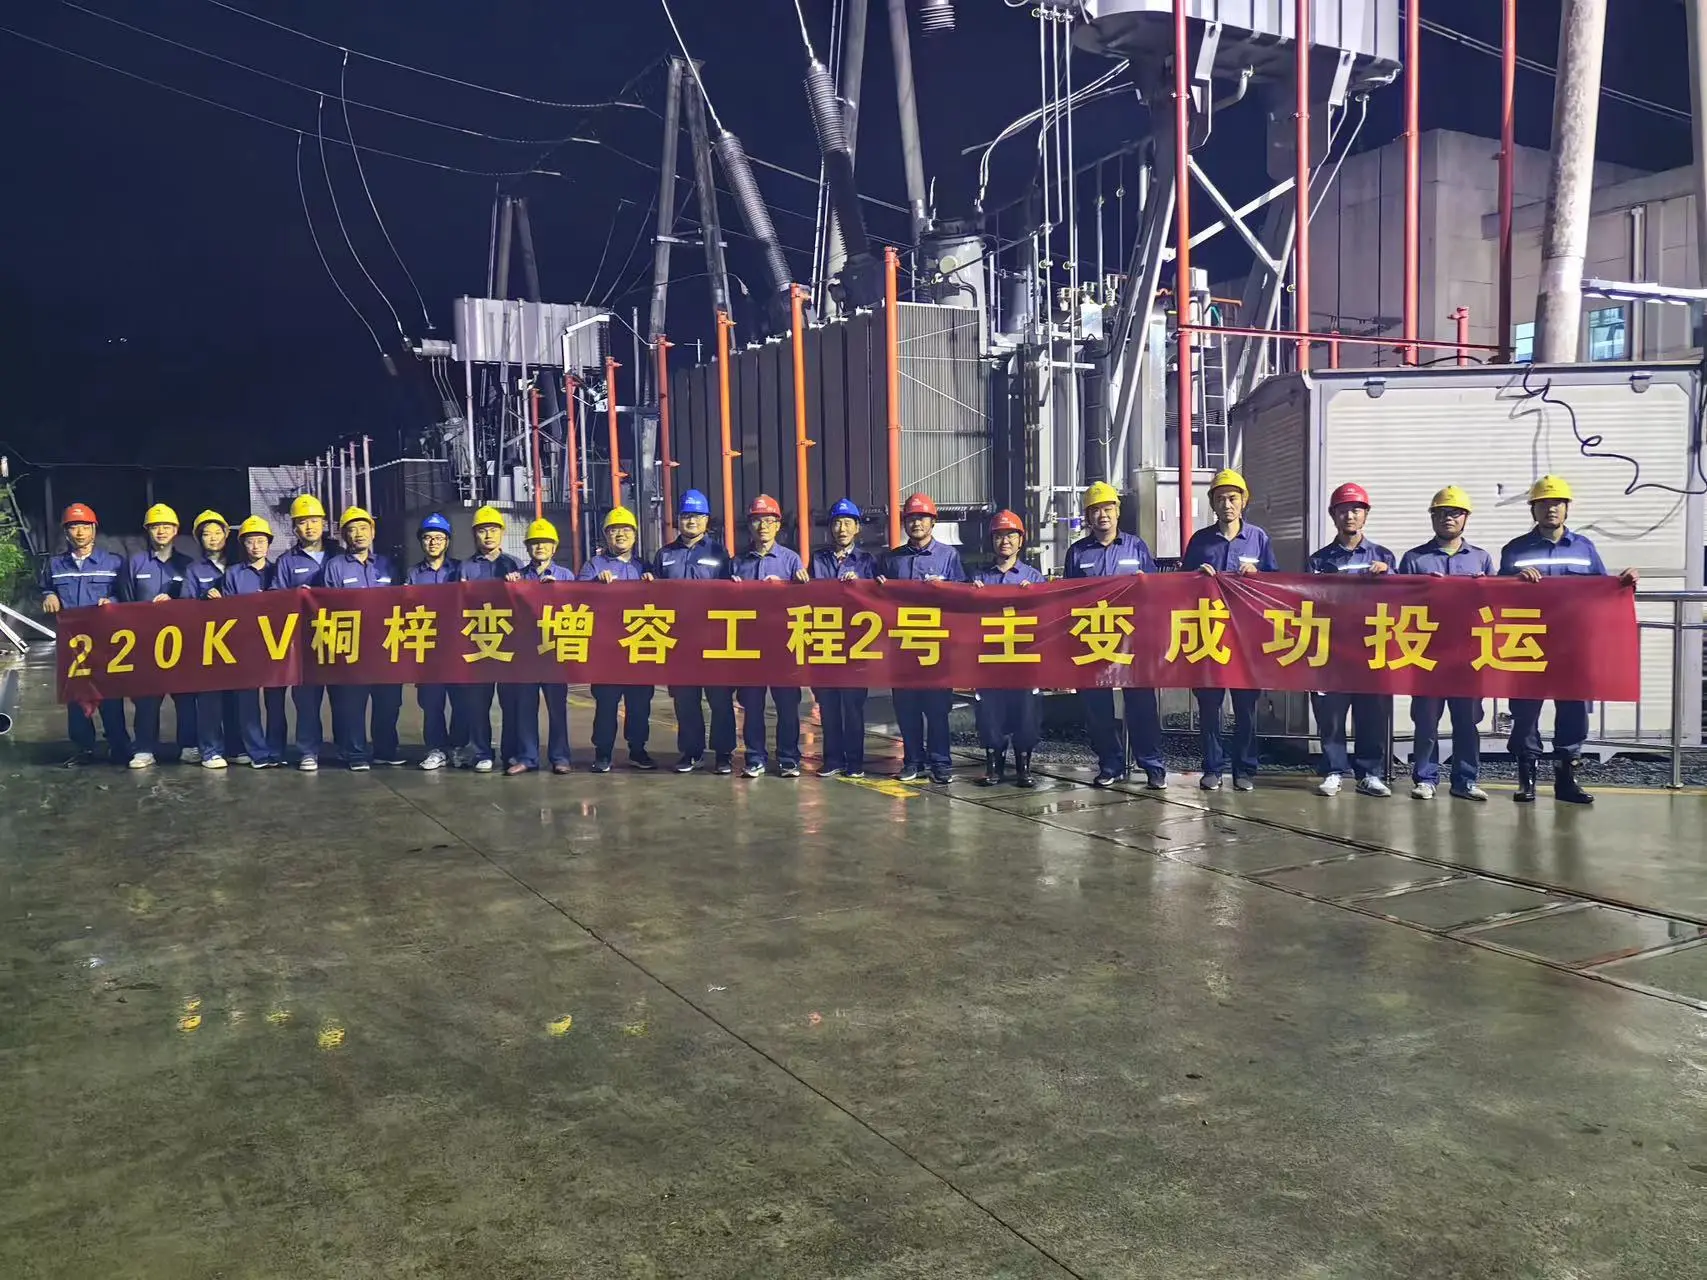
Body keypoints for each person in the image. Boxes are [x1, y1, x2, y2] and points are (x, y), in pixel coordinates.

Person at [1498, 475, 1639, 805]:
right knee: (1525, 713)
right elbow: (1497, 594)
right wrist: (1514, 580)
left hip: (1572, 647)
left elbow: (1602, 589)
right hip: (1528, 644)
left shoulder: (1584, 548)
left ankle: (1566, 781)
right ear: (1533, 509)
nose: (1551, 509)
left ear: (1567, 508)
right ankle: (1527, 780)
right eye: (1544, 503)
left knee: (1574, 712)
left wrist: (1623, 582)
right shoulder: (1515, 550)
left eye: (1557, 503)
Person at [1065, 480, 1167, 789]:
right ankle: (1110, 764)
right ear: (1088, 516)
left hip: (1132, 641)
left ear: (1118, 511)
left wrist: (1145, 583)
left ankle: (1152, 765)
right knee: (1098, 709)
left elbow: (1155, 592)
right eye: (1095, 510)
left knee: (1141, 705)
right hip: (1094, 640)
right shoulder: (1077, 552)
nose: (1102, 515)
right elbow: (1066, 598)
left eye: (1108, 508)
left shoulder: (1136, 547)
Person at [1183, 468, 1278, 791]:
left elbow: (1275, 585)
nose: (1227, 504)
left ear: (1244, 501)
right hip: (1210, 635)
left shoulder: (1258, 538)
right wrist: (1197, 576)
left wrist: (1257, 575)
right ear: (1212, 503)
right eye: (1221, 498)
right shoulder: (1200, 541)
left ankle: (1244, 770)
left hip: (1245, 638)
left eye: (1233, 498)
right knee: (1210, 706)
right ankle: (1212, 768)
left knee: (1245, 707)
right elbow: (1181, 585)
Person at [1398, 486, 1494, 802]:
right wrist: (1425, 591)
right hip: (1427, 653)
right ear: (1432, 518)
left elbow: (1496, 606)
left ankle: (1465, 780)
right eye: (1440, 513)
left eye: (1454, 513)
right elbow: (1398, 605)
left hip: (1468, 655)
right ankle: (1425, 778)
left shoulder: (1481, 558)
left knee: (1467, 722)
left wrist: (1483, 589)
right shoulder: (1415, 559)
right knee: (1426, 721)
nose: (1447, 518)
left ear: (1465, 518)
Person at [1307, 482, 1396, 799]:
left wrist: (1387, 576)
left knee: (1371, 713)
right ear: (1333, 515)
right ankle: (1333, 770)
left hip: (1371, 647)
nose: (1350, 515)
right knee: (1330, 714)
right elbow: (1308, 600)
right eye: (1343, 510)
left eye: (1356, 509)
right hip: (1332, 649)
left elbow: (1401, 600)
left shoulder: (1383, 557)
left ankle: (1369, 773)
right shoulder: (1319, 560)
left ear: (1366, 514)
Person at [877, 492, 966, 784]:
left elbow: (962, 597)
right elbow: (875, 599)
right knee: (907, 709)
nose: (916, 523)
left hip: (936, 648)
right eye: (911, 518)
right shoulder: (891, 559)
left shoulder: (948, 557)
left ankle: (941, 763)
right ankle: (913, 761)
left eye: (922, 518)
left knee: (937, 710)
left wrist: (946, 588)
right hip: (902, 648)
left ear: (933, 522)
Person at [38, 503, 131, 766]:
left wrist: (112, 601)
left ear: (94, 530)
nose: (79, 532)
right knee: (76, 694)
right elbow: (44, 587)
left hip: (106, 641)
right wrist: (49, 594)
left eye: (84, 527)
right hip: (73, 642)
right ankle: (83, 748)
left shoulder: (114, 563)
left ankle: (118, 745)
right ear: (66, 532)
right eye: (73, 527)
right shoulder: (55, 564)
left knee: (111, 693)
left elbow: (125, 595)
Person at [653, 488, 737, 774]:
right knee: (685, 701)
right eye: (686, 516)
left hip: (713, 639)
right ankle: (691, 752)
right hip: (678, 642)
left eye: (697, 516)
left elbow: (731, 593)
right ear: (678, 519)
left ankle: (723, 754)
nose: (691, 521)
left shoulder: (718, 553)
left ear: (706, 520)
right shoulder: (665, 554)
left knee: (720, 699)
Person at [321, 506, 402, 772]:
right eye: (352, 529)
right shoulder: (335, 567)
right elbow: (328, 608)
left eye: (364, 528)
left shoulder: (387, 565)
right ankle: (355, 753)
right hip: (353, 648)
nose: (358, 534)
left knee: (388, 702)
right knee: (353, 705)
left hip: (386, 646)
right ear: (344, 535)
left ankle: (385, 751)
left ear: (373, 532)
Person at [731, 494, 806, 778]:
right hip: (750, 645)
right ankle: (755, 757)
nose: (763, 526)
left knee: (787, 706)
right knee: (752, 706)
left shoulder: (791, 560)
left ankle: (788, 757)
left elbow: (805, 602)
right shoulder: (737, 562)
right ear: (750, 525)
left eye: (769, 520)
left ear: (778, 525)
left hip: (783, 646)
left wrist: (800, 586)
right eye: (757, 520)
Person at [119, 503, 198, 769]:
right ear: (148, 531)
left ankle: (188, 746)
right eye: (155, 527)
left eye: (166, 526)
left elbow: (195, 604)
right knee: (146, 699)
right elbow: (126, 601)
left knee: (185, 697)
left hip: (181, 643)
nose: (161, 531)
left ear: (175, 530)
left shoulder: (188, 565)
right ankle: (144, 748)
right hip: (145, 642)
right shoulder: (135, 563)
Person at [579, 506, 655, 772]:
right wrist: (594, 585)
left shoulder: (644, 566)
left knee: (639, 704)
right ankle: (603, 752)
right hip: (607, 651)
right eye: (613, 530)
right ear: (605, 535)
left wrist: (653, 583)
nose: (620, 534)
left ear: (635, 535)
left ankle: (638, 749)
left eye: (625, 529)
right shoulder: (594, 566)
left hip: (639, 646)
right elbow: (577, 599)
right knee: (606, 704)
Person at [970, 509, 1043, 787]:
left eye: (1011, 535)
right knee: (989, 712)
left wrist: (1033, 596)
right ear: (992, 540)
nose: (1005, 541)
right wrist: (971, 594)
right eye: (999, 536)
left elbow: (1046, 615)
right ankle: (993, 767)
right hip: (989, 660)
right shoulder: (979, 578)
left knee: (1026, 713)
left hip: (1023, 660)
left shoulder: (1033, 578)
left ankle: (1024, 767)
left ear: (1020, 540)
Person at [810, 497, 878, 778]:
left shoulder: (868, 562)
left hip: (855, 646)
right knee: (828, 706)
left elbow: (879, 599)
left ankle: (855, 762)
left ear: (857, 528)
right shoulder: (817, 560)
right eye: (837, 523)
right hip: (825, 642)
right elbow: (807, 595)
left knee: (852, 707)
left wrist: (864, 586)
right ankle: (832, 759)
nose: (841, 529)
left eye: (847, 523)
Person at [456, 505, 523, 774]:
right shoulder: (466, 567)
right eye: (483, 530)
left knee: (511, 703)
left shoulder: (513, 564)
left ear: (502, 533)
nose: (488, 535)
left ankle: (510, 753)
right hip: (478, 642)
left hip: (508, 643)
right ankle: (482, 752)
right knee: (478, 704)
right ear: (475, 534)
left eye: (493, 530)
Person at [217, 517, 288, 768]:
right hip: (244, 645)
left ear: (268, 544)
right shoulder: (233, 574)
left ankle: (276, 751)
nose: (256, 546)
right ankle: (257, 753)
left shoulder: (277, 571)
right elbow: (227, 611)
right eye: (250, 541)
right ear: (243, 545)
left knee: (275, 702)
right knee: (247, 703)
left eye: (261, 541)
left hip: (275, 645)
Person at [271, 494, 335, 771]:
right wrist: (295, 596)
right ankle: (308, 750)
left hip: (340, 638)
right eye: (303, 522)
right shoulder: (286, 562)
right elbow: (276, 598)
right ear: (295, 528)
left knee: (345, 700)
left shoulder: (339, 555)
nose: (309, 527)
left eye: (314, 521)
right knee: (306, 700)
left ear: (324, 523)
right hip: (304, 643)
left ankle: (349, 750)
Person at [509, 518, 574, 776]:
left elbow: (577, 609)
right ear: (527, 548)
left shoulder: (566, 576)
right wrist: (510, 586)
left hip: (555, 653)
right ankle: (528, 757)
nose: (539, 547)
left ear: (554, 547)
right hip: (526, 654)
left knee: (557, 709)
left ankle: (560, 757)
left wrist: (558, 590)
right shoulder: (518, 577)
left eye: (545, 543)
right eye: (534, 543)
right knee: (525, 709)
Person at [182, 510, 245, 767]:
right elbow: (186, 603)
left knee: (235, 698)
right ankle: (210, 750)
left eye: (218, 532)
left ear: (226, 535)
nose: (213, 538)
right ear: (199, 539)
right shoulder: (194, 569)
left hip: (237, 642)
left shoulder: (239, 565)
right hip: (207, 643)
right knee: (209, 699)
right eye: (206, 534)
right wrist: (205, 599)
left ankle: (235, 748)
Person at [407, 513, 461, 771]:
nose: (433, 542)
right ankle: (436, 749)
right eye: (428, 538)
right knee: (431, 704)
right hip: (427, 649)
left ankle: (458, 747)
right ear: (421, 541)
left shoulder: (460, 570)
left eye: (439, 538)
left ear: (447, 542)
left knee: (461, 703)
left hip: (457, 649)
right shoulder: (413, 574)